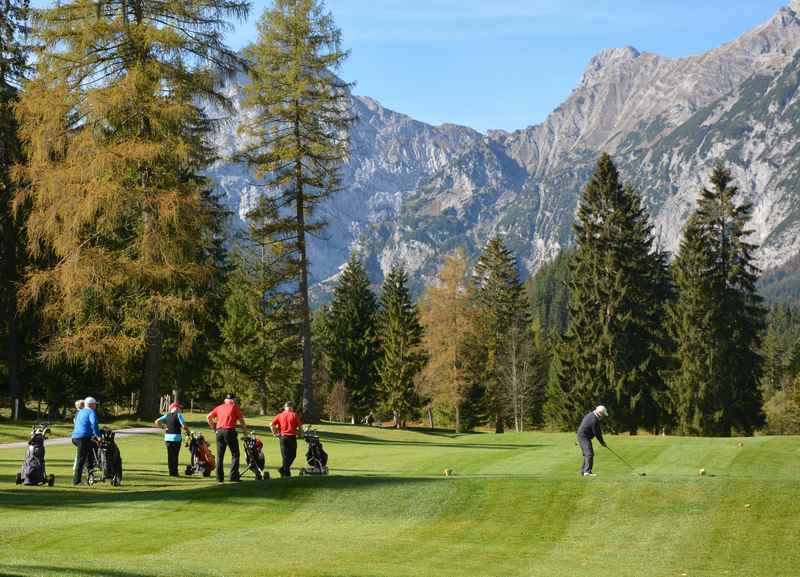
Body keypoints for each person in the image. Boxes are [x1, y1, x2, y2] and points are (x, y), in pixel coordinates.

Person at [207, 394, 248, 482]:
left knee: (220, 455)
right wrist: (245, 434)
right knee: (235, 454)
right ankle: (233, 477)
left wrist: (213, 428)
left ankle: (219, 478)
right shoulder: (234, 407)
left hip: (219, 431)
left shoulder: (219, 407)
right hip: (229, 430)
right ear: (233, 400)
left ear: (225, 400)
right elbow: (241, 421)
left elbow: (208, 417)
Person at [155, 402, 190, 477]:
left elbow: (157, 421)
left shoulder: (167, 415)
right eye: (179, 408)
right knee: (175, 455)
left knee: (170, 455)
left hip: (167, 438)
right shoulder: (178, 415)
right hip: (176, 438)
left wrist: (163, 427)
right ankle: (175, 472)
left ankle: (171, 471)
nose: (180, 409)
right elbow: (184, 426)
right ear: (175, 408)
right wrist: (188, 432)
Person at [72, 396, 102, 485]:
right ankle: (76, 481)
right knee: (81, 459)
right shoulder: (91, 412)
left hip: (76, 437)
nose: (95, 406)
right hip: (83, 438)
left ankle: (90, 472)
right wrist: (98, 436)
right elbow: (94, 424)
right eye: (95, 404)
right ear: (91, 405)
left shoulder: (80, 412)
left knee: (90, 452)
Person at [270, 401, 303, 478]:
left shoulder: (280, 415)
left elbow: (271, 425)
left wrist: (275, 433)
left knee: (285, 457)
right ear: (291, 407)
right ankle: (286, 473)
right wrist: (301, 435)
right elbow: (300, 427)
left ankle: (283, 470)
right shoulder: (294, 415)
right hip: (292, 438)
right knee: (292, 455)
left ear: (285, 408)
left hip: (283, 438)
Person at [577, 405, 608, 477]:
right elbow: (597, 433)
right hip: (583, 436)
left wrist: (602, 442)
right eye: (603, 414)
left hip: (583, 436)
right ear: (600, 413)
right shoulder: (594, 420)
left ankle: (583, 471)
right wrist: (602, 442)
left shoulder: (592, 415)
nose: (603, 416)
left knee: (587, 454)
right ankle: (587, 472)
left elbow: (597, 432)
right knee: (589, 454)